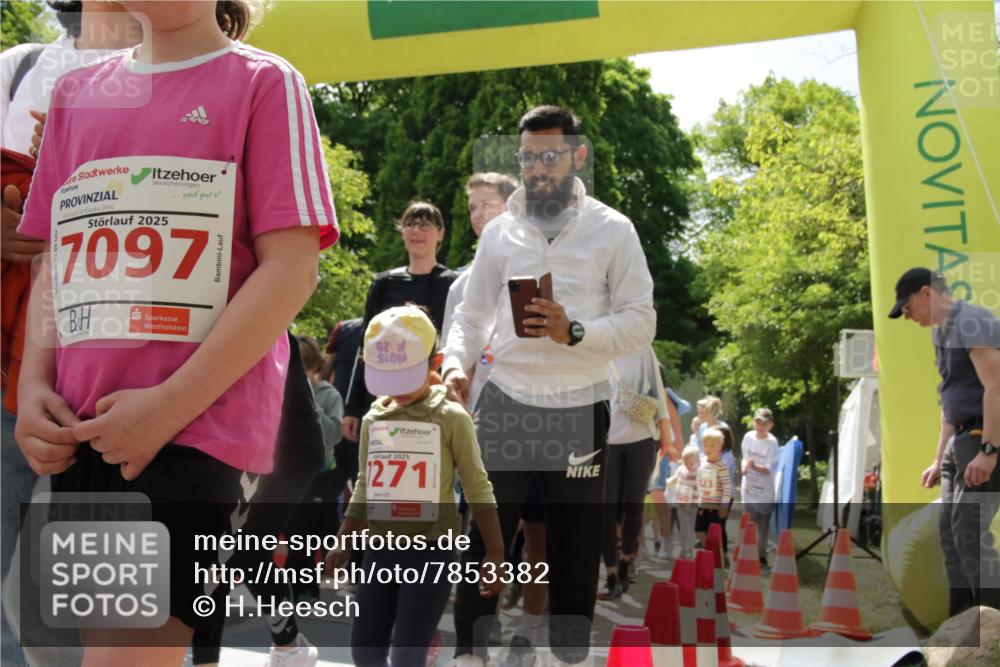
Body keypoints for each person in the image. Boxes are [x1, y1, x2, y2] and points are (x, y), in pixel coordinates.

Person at [14, 2, 337, 665]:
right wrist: (33, 384)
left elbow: (294, 269)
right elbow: (54, 258)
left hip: (194, 431)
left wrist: (169, 404)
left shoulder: (264, 84)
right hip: (83, 433)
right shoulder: (76, 94)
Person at [443, 105, 656, 665]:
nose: (539, 169)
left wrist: (575, 330)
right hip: (506, 402)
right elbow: (470, 314)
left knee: (575, 546)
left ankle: (568, 657)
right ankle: (470, 652)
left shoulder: (614, 228)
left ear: (577, 156)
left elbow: (641, 319)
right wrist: (456, 364)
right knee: (485, 537)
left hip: (580, 407)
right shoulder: (501, 232)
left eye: (550, 157)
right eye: (529, 157)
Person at [1, 5, 141, 665]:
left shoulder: (184, 71)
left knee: (98, 598)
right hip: (7, 361)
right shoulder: (16, 71)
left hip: (126, 375)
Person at [325, 306, 503, 667]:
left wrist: (495, 552)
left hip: (431, 552)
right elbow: (365, 485)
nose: (397, 389)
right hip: (378, 550)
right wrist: (343, 541)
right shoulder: (375, 417)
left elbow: (477, 486)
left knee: (407, 655)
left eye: (405, 376)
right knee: (365, 651)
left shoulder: (452, 418)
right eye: (386, 377)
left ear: (435, 360)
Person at [889, 267, 1000, 614]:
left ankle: (994, 629)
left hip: (985, 438)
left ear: (927, 292)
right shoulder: (940, 334)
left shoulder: (971, 321)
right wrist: (939, 459)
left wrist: (990, 450)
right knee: (950, 536)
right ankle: (964, 629)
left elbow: (996, 386)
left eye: (907, 308)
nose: (907, 317)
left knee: (969, 533)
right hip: (960, 442)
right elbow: (949, 401)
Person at [341, 202, 458, 444]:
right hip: (388, 393)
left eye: (425, 224)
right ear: (402, 231)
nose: (417, 231)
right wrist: (352, 407)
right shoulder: (384, 283)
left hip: (435, 395)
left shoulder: (453, 283)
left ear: (440, 233)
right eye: (410, 224)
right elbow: (367, 346)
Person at [599, 346, 672, 600]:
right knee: (606, 510)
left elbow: (659, 392)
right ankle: (609, 575)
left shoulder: (642, 349)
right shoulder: (597, 344)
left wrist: (667, 434)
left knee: (634, 505)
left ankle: (625, 560)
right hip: (606, 440)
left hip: (641, 437)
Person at [740, 408, 780, 569]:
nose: (760, 426)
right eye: (757, 422)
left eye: (764, 423)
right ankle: (748, 554)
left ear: (770, 425)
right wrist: (744, 467)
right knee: (749, 521)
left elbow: (769, 468)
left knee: (763, 524)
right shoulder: (748, 437)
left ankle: (761, 556)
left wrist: (753, 466)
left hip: (764, 490)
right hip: (749, 487)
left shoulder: (772, 443)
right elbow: (744, 458)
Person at [696, 428, 733, 549]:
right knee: (699, 530)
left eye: (712, 446)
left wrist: (724, 506)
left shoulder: (721, 466)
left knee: (717, 532)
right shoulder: (702, 462)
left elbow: (727, 487)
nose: (708, 448)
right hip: (703, 505)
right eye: (705, 445)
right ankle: (709, 551)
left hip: (716, 507)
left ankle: (722, 554)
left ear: (720, 448)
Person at [666, 445, 701, 560]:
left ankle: (689, 549)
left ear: (697, 461)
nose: (689, 466)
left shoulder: (700, 473)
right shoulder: (681, 469)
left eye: (691, 463)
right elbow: (675, 478)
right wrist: (668, 482)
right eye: (686, 463)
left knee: (691, 528)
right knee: (683, 528)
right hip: (681, 503)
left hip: (694, 505)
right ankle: (684, 548)